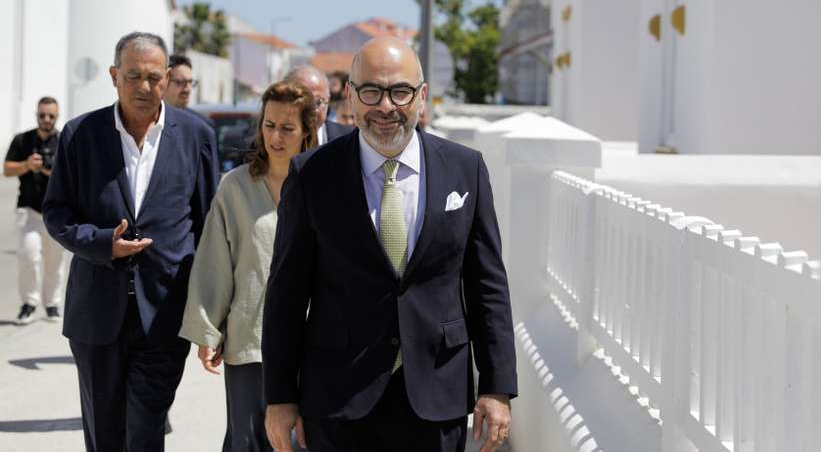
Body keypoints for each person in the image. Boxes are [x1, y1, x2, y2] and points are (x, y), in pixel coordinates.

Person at [262, 37, 517, 452]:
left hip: (437, 395)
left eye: (400, 91)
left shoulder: (465, 170)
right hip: (338, 399)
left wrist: (497, 387)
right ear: (351, 95)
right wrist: (280, 396)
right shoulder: (312, 175)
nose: (385, 106)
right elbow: (286, 294)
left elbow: (488, 286)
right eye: (371, 91)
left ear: (422, 97)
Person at [43, 31, 220, 452]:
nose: (145, 87)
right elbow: (57, 213)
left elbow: (209, 225)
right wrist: (103, 244)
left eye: (155, 77)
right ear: (114, 75)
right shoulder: (80, 134)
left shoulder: (196, 136)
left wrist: (212, 311)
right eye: (134, 75)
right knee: (105, 435)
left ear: (168, 79)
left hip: (164, 315)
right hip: (96, 316)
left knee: (145, 433)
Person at [180, 80, 318, 452]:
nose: (275, 136)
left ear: (307, 131)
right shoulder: (235, 187)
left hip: (313, 343)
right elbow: (215, 261)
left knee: (304, 441)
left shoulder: (325, 187)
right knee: (248, 441)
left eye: (287, 128)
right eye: (269, 125)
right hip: (250, 341)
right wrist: (208, 329)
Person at [4, 96, 68, 324]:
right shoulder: (23, 140)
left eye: (51, 115)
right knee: (28, 255)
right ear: (37, 114)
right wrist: (27, 165)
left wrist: (52, 172)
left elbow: (73, 177)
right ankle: (29, 303)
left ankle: (52, 304)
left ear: (57, 116)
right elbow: (7, 169)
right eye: (42, 115)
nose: (46, 119)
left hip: (56, 212)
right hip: (28, 209)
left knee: (54, 260)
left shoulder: (64, 141)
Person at [284, 65, 352, 144]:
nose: (311, 111)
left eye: (318, 103)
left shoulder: (349, 139)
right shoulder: (273, 141)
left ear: (328, 99)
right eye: (301, 102)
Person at [164, 54, 216, 128]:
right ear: (165, 81)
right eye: (180, 82)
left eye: (190, 82)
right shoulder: (149, 121)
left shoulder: (203, 126)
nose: (188, 88)